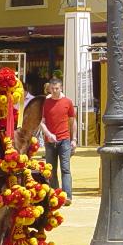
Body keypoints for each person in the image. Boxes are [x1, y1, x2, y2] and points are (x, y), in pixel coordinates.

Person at [40, 77, 76, 205]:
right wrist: (48, 134)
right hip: (49, 141)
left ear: (61, 88)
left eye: (57, 88)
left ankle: (67, 196)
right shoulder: (45, 103)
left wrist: (74, 139)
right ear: (49, 88)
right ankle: (55, 194)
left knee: (65, 168)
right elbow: (42, 122)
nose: (54, 91)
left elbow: (72, 121)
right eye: (52, 88)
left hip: (65, 139)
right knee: (51, 169)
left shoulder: (68, 102)